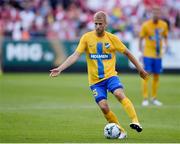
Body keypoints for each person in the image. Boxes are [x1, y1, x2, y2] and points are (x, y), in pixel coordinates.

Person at [50, 11, 149, 139]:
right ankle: (121, 131)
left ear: (106, 24)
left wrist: (140, 69)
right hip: (95, 82)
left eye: (100, 24)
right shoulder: (86, 38)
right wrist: (60, 68)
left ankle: (135, 120)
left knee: (119, 94)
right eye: (95, 23)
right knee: (103, 106)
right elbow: (75, 55)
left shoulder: (112, 39)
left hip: (110, 76)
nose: (97, 26)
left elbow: (128, 53)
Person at [139, 6, 168, 106]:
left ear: (160, 14)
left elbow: (165, 37)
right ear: (151, 14)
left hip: (158, 55)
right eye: (154, 12)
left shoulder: (164, 25)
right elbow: (141, 38)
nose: (156, 14)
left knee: (156, 76)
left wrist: (165, 47)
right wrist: (140, 51)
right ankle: (145, 98)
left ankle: (154, 98)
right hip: (148, 53)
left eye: (158, 12)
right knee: (146, 75)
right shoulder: (146, 25)